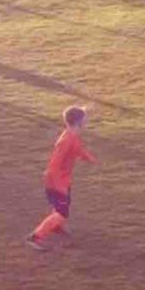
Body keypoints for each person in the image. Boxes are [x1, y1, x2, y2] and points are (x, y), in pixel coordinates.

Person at [27, 106, 96, 250]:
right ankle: (35, 237)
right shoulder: (66, 141)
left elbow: (78, 150)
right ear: (78, 122)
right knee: (62, 212)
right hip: (56, 181)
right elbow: (54, 165)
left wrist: (89, 158)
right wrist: (59, 186)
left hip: (63, 179)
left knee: (62, 208)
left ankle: (56, 227)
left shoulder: (72, 135)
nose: (87, 120)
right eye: (85, 118)